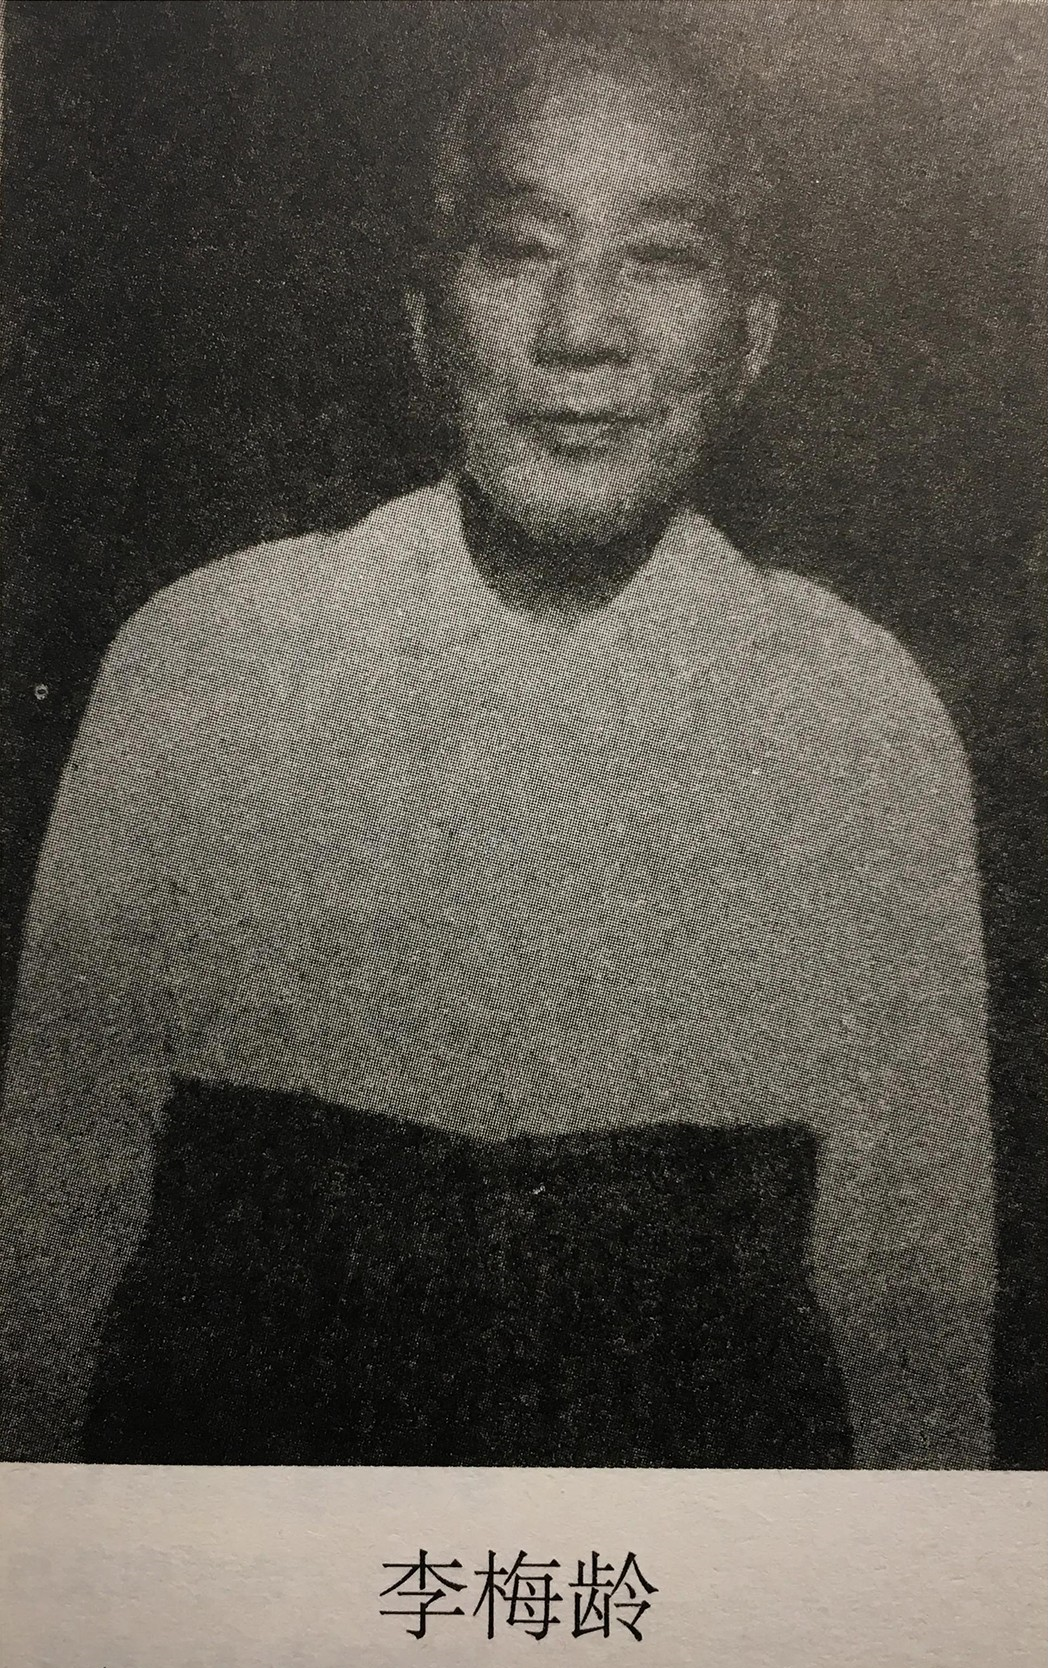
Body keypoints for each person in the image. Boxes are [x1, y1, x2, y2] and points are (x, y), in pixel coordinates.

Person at [1, 18, 993, 1467]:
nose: (580, 329)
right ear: (426, 322)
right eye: (520, 249)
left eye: (661, 258)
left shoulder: (860, 723)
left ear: (753, 338)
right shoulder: (206, 668)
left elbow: (919, 1375)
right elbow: (38, 1306)